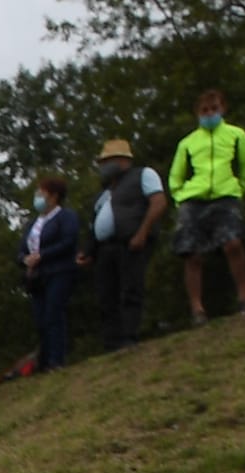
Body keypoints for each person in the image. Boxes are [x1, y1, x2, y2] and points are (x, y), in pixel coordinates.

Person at [171, 89, 245, 323]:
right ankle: (197, 309)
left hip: (225, 195)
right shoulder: (188, 142)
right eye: (205, 110)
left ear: (223, 109)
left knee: (233, 244)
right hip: (193, 199)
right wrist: (179, 195)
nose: (210, 114)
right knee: (191, 253)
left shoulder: (235, 135)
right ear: (197, 113)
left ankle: (244, 298)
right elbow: (176, 174)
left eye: (214, 109)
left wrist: (242, 186)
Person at [78, 137, 171, 350]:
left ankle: (129, 337)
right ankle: (111, 343)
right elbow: (95, 225)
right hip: (105, 249)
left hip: (131, 242)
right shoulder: (103, 193)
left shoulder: (143, 175)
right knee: (106, 296)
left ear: (123, 160)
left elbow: (158, 203)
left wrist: (142, 233)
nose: (103, 167)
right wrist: (87, 251)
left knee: (130, 289)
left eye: (107, 161)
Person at [23, 176, 81, 372]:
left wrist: (43, 255)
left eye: (42, 193)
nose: (38, 197)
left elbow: (68, 241)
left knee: (53, 314)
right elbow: (22, 248)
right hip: (37, 277)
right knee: (40, 319)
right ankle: (44, 360)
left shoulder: (66, 217)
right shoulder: (33, 223)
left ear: (54, 196)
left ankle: (57, 360)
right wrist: (25, 259)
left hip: (59, 271)